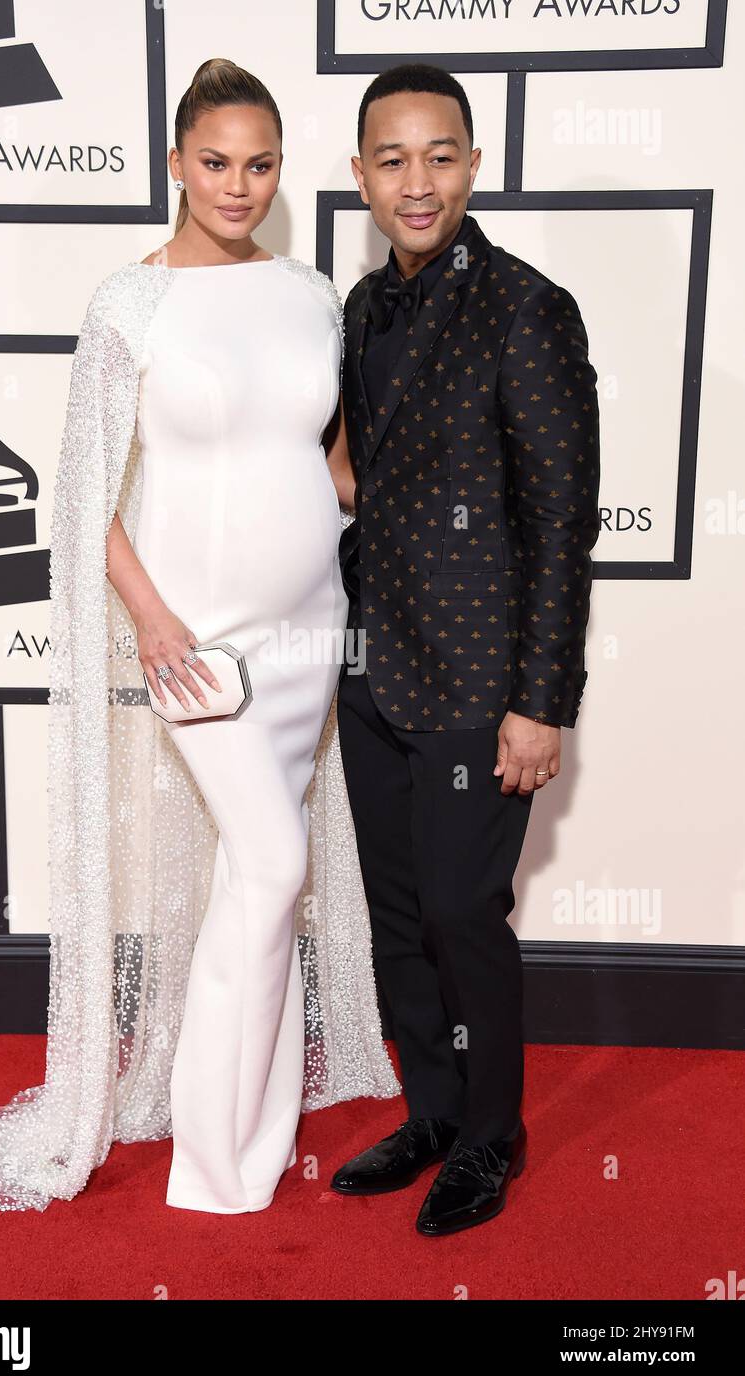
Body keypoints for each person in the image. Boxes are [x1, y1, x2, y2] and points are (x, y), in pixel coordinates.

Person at [0, 58, 399, 1216]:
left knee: (258, 881)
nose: (237, 185)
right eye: (214, 162)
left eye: (258, 164)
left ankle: (244, 1117)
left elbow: (330, 462)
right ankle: (216, 1161)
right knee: (269, 862)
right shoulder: (128, 304)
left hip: (309, 630)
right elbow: (80, 497)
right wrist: (150, 618)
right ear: (174, 163)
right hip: (192, 637)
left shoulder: (306, 291)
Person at [330, 63, 601, 1236]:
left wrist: (538, 703)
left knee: (459, 907)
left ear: (473, 163)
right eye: (391, 160)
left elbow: (558, 516)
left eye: (438, 155)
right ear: (359, 177)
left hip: (476, 677)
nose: (416, 181)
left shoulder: (527, 307)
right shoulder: (357, 307)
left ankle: (493, 1134)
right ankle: (432, 1109)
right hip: (368, 668)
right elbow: (357, 470)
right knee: (396, 912)